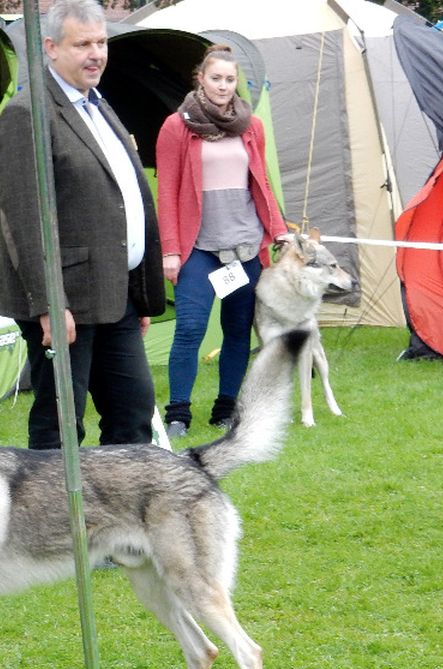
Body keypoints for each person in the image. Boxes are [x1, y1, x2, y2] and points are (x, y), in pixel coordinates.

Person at [0, 0, 165, 450]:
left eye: (102, 42)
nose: (97, 54)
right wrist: (50, 304)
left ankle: (121, 517)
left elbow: (121, 197)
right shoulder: (27, 113)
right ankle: (50, 520)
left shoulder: (99, 104)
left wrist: (138, 290)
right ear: (50, 47)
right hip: (65, 299)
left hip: (117, 296)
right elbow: (24, 219)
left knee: (132, 410)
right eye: (83, 44)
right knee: (61, 423)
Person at [155, 44, 288, 437]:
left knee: (236, 330)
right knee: (190, 330)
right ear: (200, 78)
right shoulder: (176, 126)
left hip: (246, 246)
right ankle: (178, 412)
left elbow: (261, 183)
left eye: (230, 80)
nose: (224, 86)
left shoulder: (252, 126)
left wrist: (277, 229)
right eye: (216, 78)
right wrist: (171, 251)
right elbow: (166, 192)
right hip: (199, 249)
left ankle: (225, 408)